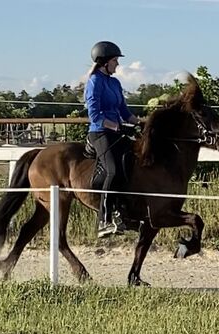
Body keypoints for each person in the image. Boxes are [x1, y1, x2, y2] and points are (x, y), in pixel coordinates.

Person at [84, 40, 140, 238]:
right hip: (100, 133)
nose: (118, 64)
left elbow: (124, 111)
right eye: (115, 60)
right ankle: (104, 220)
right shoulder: (94, 82)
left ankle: (125, 215)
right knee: (113, 171)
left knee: (133, 164)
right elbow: (95, 115)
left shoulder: (115, 83)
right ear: (104, 62)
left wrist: (141, 122)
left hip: (117, 132)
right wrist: (116, 126)